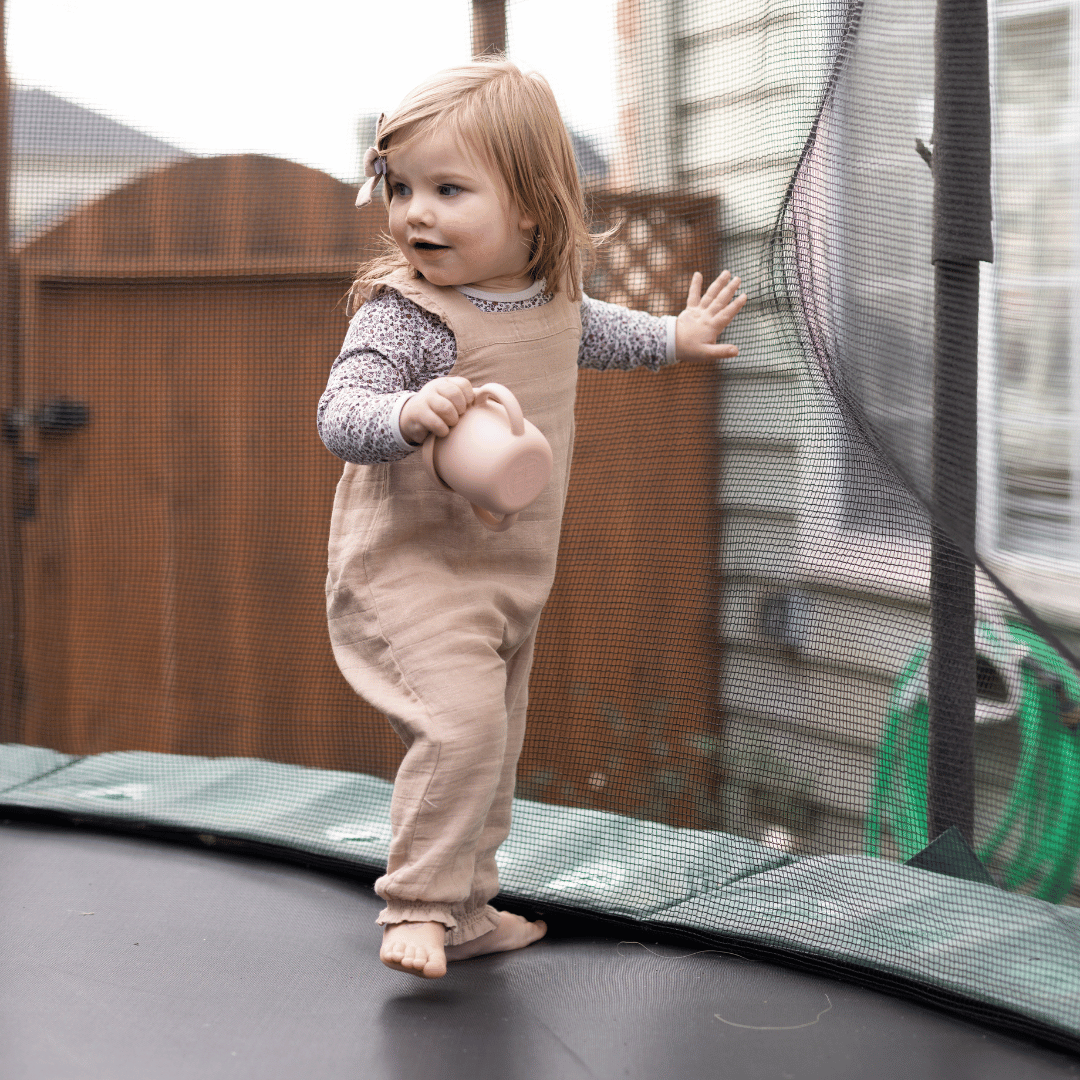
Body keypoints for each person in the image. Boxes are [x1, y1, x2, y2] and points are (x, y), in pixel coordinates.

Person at [319, 57, 747, 980]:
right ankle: (421, 906)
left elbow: (602, 333)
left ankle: (469, 908)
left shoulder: (551, 303)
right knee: (464, 730)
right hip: (409, 572)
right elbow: (338, 416)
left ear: (531, 208)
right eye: (401, 189)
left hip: (509, 576)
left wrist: (674, 336)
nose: (415, 213)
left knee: (496, 744)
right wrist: (403, 415)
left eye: (447, 189)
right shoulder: (408, 317)